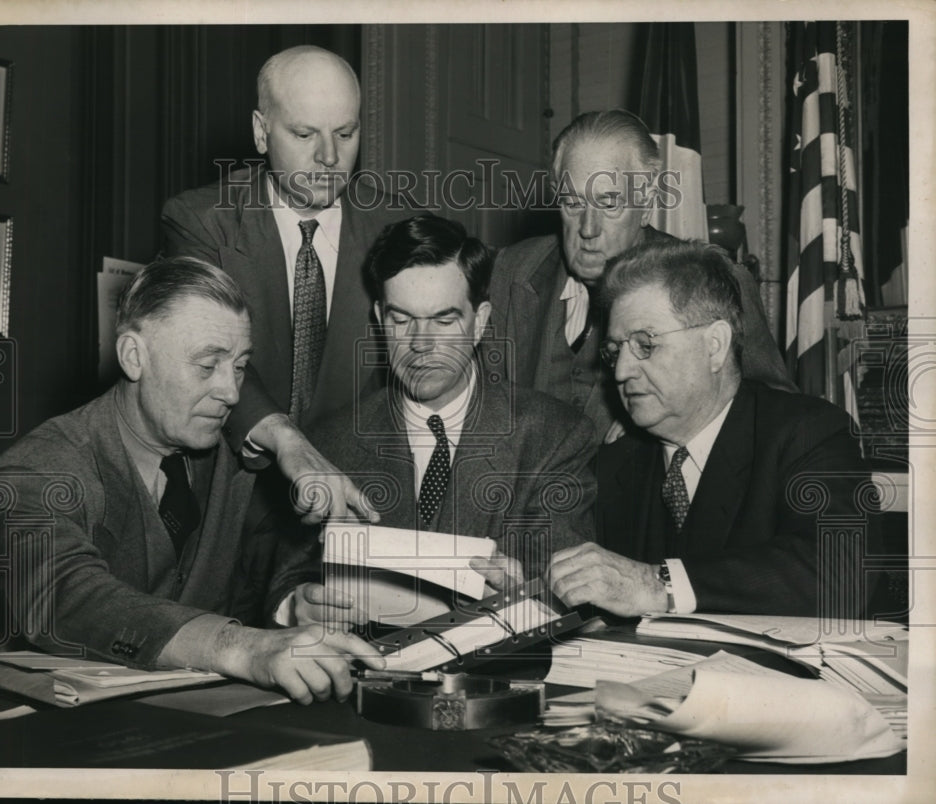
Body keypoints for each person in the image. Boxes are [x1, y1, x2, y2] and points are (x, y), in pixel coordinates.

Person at [0, 258, 384, 704]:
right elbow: (63, 596)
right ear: (134, 357)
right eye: (207, 366)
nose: (231, 393)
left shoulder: (233, 456)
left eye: (240, 366)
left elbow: (262, 568)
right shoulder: (37, 468)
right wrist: (238, 647)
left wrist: (291, 605)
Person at [269, 216, 598, 628]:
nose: (420, 344)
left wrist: (526, 603)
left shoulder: (554, 436)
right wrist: (294, 606)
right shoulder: (328, 443)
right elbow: (285, 580)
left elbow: (575, 599)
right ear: (379, 318)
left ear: (480, 322)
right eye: (401, 319)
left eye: (443, 320)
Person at [548, 240, 880, 617]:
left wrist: (659, 586)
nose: (621, 371)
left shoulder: (806, 434)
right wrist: (537, 593)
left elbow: (842, 572)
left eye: (644, 344)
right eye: (614, 351)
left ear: (715, 346)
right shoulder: (615, 463)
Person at [161, 45, 409, 526]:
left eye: (345, 133)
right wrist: (287, 441)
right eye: (304, 134)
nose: (329, 157)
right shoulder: (200, 221)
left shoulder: (398, 227)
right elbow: (205, 355)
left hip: (357, 502)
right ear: (261, 131)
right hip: (226, 502)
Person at [489, 109, 796, 445]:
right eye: (572, 203)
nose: (588, 229)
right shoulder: (513, 270)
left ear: (646, 204)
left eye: (609, 204)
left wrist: (676, 426)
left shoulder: (714, 280)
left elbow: (774, 411)